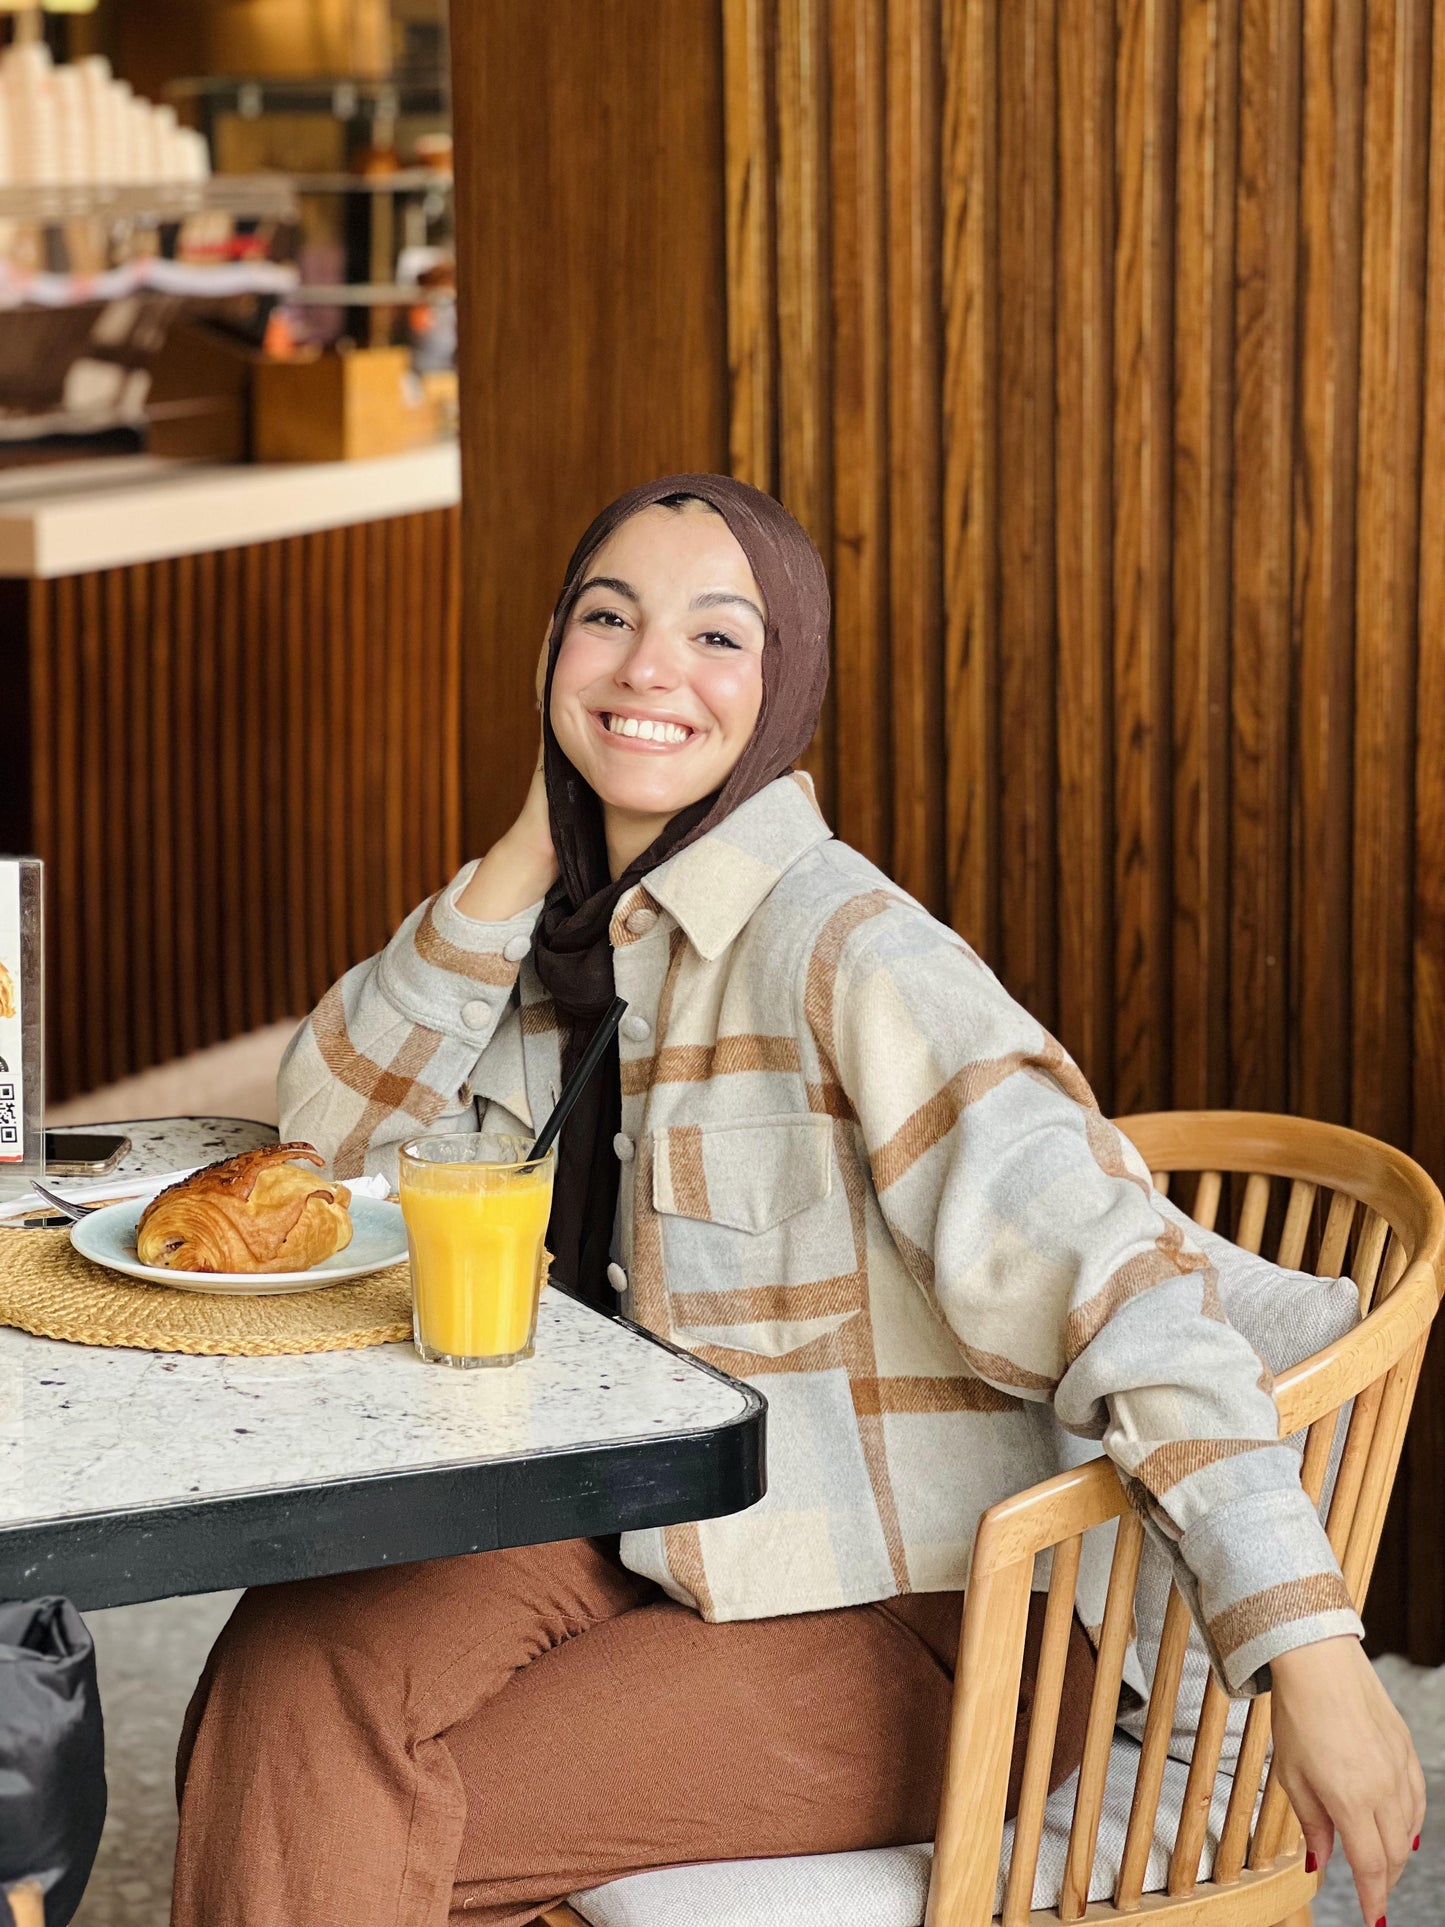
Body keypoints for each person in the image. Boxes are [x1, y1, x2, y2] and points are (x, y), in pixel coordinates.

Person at [172, 476, 1422, 1927]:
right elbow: (323, 1140)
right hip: (625, 1517)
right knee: (291, 1668)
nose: (648, 668)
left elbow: (1124, 1286)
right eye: (606, 620)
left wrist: (1309, 1648)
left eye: (718, 638)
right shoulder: (565, 930)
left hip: (918, 1605)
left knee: (374, 1819)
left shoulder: (852, 954)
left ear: (783, 692)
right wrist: (523, 848)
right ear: (549, 656)